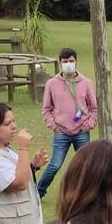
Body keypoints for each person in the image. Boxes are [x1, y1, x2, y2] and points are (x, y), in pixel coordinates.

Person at [37, 47, 98, 198]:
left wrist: (88, 125)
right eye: (65, 62)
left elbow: (93, 107)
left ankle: (89, 195)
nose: (68, 64)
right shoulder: (52, 83)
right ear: (60, 62)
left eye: (71, 61)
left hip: (81, 131)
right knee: (55, 165)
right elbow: (46, 108)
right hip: (61, 132)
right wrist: (54, 125)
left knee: (87, 166)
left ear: (76, 61)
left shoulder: (86, 83)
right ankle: (38, 192)